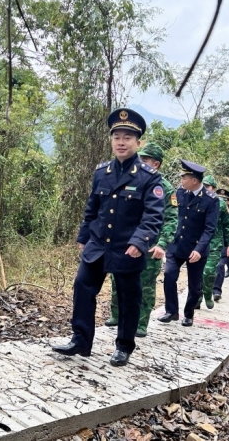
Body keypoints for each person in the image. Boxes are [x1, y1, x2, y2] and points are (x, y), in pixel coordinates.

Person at [52, 108, 164, 367]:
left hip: (127, 248)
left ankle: (124, 346)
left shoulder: (149, 177)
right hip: (98, 244)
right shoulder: (101, 172)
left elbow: (153, 215)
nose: (121, 142)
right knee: (82, 287)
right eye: (117, 137)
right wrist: (83, 237)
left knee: (127, 298)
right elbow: (92, 207)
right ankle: (80, 341)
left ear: (138, 142)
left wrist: (139, 242)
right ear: (111, 140)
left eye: (127, 137)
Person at [105, 142, 178, 338]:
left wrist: (162, 244)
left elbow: (171, 219)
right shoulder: (131, 178)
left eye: (145, 160)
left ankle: (141, 323)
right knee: (116, 280)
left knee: (144, 286)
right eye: (140, 158)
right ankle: (116, 314)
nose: (140, 162)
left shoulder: (165, 188)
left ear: (156, 164)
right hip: (125, 244)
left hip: (149, 246)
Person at [158, 160, 218, 327]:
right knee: (169, 275)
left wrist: (199, 249)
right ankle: (171, 311)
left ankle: (188, 314)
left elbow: (209, 229)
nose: (181, 180)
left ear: (194, 180)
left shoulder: (211, 200)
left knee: (194, 285)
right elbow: (173, 216)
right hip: (176, 245)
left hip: (196, 248)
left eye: (184, 177)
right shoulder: (179, 193)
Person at [195, 177, 229, 308]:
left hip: (215, 244)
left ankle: (207, 293)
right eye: (204, 186)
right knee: (198, 272)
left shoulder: (221, 204)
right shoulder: (195, 200)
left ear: (213, 188)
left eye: (208, 186)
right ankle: (198, 299)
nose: (205, 188)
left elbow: (228, 225)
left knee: (209, 272)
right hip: (198, 244)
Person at [208, 188, 229, 302]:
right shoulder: (212, 208)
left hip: (224, 243)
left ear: (228, 201)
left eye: (224, 200)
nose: (222, 201)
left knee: (219, 266)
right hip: (211, 243)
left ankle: (216, 290)